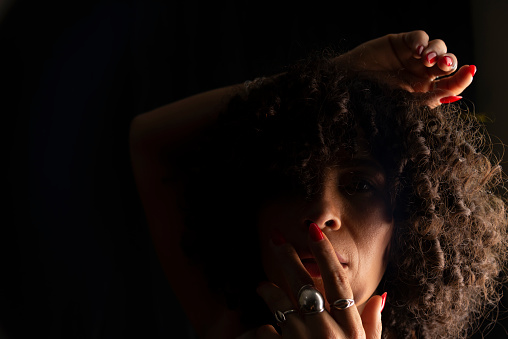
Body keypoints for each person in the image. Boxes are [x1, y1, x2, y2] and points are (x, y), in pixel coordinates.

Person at [129, 30, 507, 338]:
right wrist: (344, 72)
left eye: (360, 185)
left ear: (407, 226)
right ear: (250, 211)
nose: (322, 211)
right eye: (292, 181)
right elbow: (150, 141)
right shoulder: (231, 326)